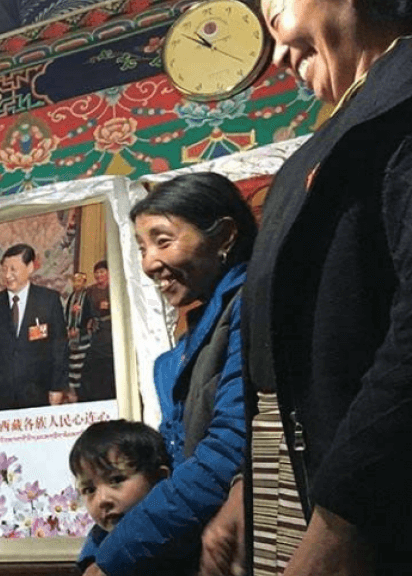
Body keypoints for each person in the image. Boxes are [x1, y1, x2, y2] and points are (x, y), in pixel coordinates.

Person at [200, 1, 412, 574]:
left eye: (276, 16)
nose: (276, 54)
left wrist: (344, 521)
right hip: (294, 472)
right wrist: (250, 483)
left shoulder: (400, 101)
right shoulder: (349, 122)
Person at [79, 172, 254, 576]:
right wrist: (97, 551)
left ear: (224, 236)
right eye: (142, 248)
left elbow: (228, 450)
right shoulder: (183, 348)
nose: (148, 263)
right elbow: (165, 461)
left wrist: (112, 559)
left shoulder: (249, 306)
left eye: (163, 241)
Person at [0, 243, 68, 411]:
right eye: (4, 269)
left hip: (37, 391)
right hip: (1, 393)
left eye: (13, 269)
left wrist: (57, 387)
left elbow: (59, 346)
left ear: (30, 267)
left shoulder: (49, 301)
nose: (7, 275)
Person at [71, 420, 175, 575]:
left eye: (116, 480)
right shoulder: (96, 550)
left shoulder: (179, 541)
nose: (102, 500)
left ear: (159, 479)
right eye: (89, 490)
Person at [78, 260, 116, 402]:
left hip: (112, 331)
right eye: (96, 272)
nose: (99, 275)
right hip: (96, 332)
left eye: (102, 271)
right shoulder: (90, 291)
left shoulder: (116, 288)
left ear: (109, 273)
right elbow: (85, 313)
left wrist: (110, 306)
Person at [64, 270, 91, 402]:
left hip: (84, 336)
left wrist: (81, 328)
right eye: (75, 281)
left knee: (81, 366)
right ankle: (72, 393)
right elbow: (67, 314)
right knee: (72, 365)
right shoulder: (71, 297)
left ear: (84, 282)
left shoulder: (88, 297)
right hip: (72, 336)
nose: (77, 284)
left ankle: (81, 395)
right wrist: (69, 329)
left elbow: (90, 314)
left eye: (80, 281)